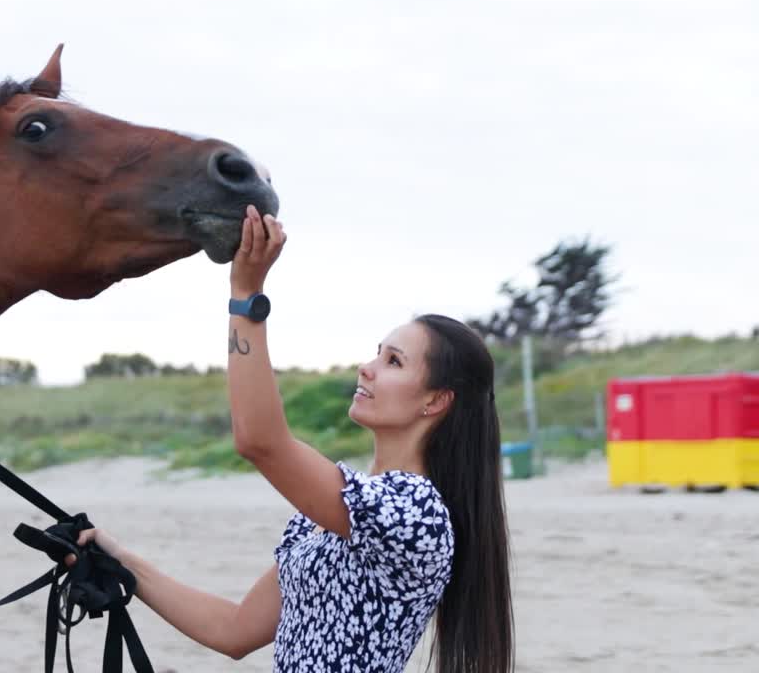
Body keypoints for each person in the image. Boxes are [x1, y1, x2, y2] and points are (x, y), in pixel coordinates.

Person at [67, 206, 515, 672]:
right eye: (377, 353)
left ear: (436, 401)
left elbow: (260, 441)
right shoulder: (331, 515)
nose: (368, 367)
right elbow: (235, 630)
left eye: (394, 361)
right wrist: (119, 561)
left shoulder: (415, 513)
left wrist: (247, 296)